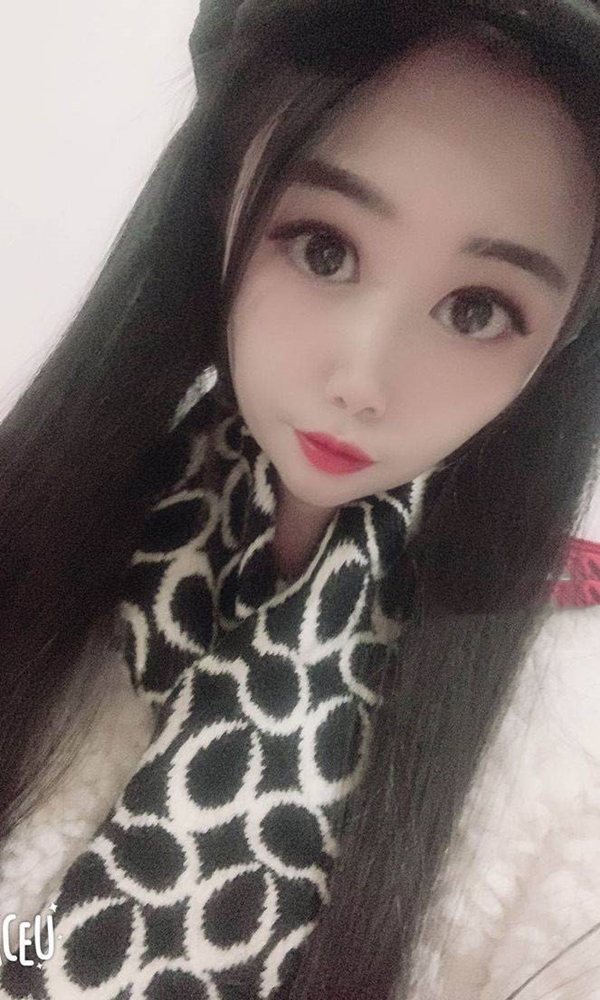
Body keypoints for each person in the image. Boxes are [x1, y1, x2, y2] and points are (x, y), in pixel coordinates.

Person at [1, 0, 600, 997]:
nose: (362, 380)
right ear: (222, 198)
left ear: (565, 335)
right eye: (324, 248)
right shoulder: (48, 529)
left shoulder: (568, 755)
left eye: (477, 309)